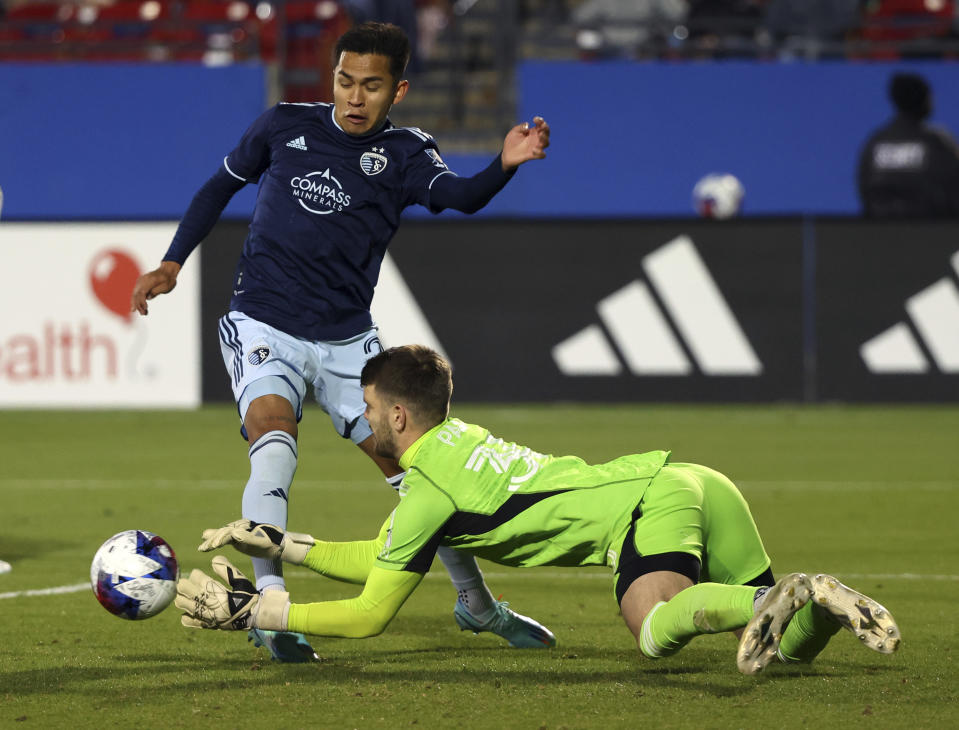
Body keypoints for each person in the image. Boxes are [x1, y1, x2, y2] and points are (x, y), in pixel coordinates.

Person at [130, 22, 553, 662]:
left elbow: (461, 197)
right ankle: (271, 615)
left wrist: (504, 164)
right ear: (332, 77)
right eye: (345, 81)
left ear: (398, 90)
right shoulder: (281, 126)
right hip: (263, 321)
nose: (355, 98)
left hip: (349, 344)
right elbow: (219, 186)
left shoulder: (407, 153)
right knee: (273, 444)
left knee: (422, 475)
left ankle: (475, 603)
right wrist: (172, 262)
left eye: (372, 86)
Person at [177, 345, 902, 675]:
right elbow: (383, 553)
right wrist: (282, 543)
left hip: (643, 513)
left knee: (653, 633)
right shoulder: (456, 441)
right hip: (694, 481)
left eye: (369, 410)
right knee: (783, 650)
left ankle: (761, 604)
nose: (364, 425)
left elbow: (370, 612)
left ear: (400, 415)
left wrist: (258, 613)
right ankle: (805, 595)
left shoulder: (430, 489)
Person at [858, 72, 959, 218]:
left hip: (882, 233)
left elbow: (864, 190)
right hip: (933, 234)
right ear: (924, 100)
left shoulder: (877, 142)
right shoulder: (938, 142)